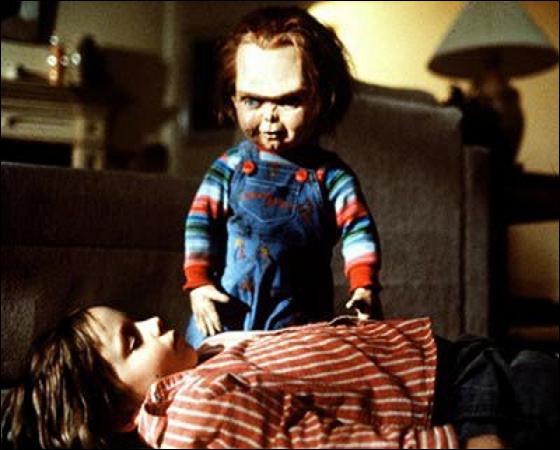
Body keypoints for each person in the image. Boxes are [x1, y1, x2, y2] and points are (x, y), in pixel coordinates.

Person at [2, 306, 558, 449]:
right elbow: (324, 446)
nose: (152, 324)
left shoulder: (198, 370)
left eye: (137, 320)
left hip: (448, 367)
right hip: (458, 405)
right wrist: (456, 443)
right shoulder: (193, 416)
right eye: (133, 341)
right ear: (126, 414)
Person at [184, 6, 382, 349]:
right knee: (200, 371)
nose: (270, 117)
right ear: (233, 99)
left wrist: (363, 286)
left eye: (289, 101)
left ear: (323, 99)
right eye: (252, 101)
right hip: (225, 317)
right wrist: (199, 282)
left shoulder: (332, 178)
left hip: (299, 327)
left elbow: (358, 230)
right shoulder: (228, 168)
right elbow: (200, 221)